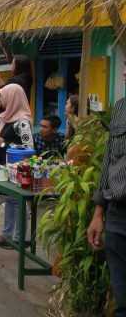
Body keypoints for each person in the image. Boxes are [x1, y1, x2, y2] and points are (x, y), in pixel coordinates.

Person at [87, 64, 126, 317]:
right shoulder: (121, 108)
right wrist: (98, 212)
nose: (125, 73)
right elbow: (110, 160)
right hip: (118, 216)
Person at [0, 84, 34, 246]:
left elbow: (29, 148)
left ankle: (18, 238)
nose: (1, 100)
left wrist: (5, 144)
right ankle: (7, 234)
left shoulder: (21, 122)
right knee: (9, 199)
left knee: (16, 201)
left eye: (4, 96)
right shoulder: (9, 117)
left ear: (13, 98)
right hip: (9, 168)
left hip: (19, 170)